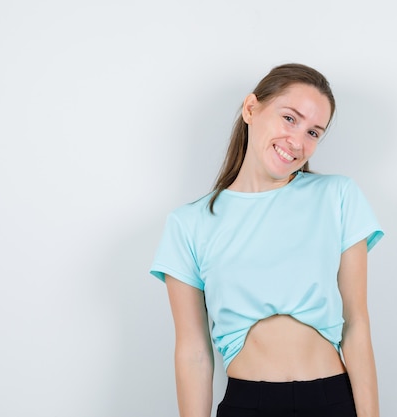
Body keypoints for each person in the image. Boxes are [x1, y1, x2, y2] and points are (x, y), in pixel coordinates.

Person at [150, 63, 384, 417]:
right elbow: (193, 351)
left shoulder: (337, 195)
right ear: (250, 108)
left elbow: (356, 323)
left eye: (313, 132)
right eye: (290, 118)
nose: (298, 141)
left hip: (331, 400)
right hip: (248, 404)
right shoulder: (189, 223)